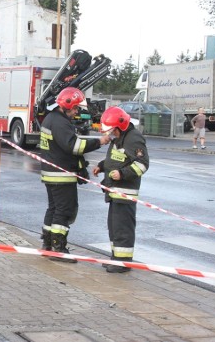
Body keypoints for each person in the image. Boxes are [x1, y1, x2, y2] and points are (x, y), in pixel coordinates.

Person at [39, 87, 110, 262]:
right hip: (61, 175)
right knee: (64, 211)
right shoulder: (60, 122)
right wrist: (100, 142)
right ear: (67, 105)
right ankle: (58, 248)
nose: (77, 111)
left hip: (51, 173)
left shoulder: (51, 118)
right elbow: (74, 147)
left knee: (53, 209)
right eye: (76, 108)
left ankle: (47, 245)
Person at [92, 106, 149, 273]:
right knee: (114, 226)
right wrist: (102, 166)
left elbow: (142, 165)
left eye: (112, 131)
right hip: (114, 190)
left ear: (120, 126)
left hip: (125, 191)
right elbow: (116, 158)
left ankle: (123, 263)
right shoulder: (120, 137)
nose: (110, 134)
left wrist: (122, 174)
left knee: (123, 228)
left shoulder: (133, 139)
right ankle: (116, 258)